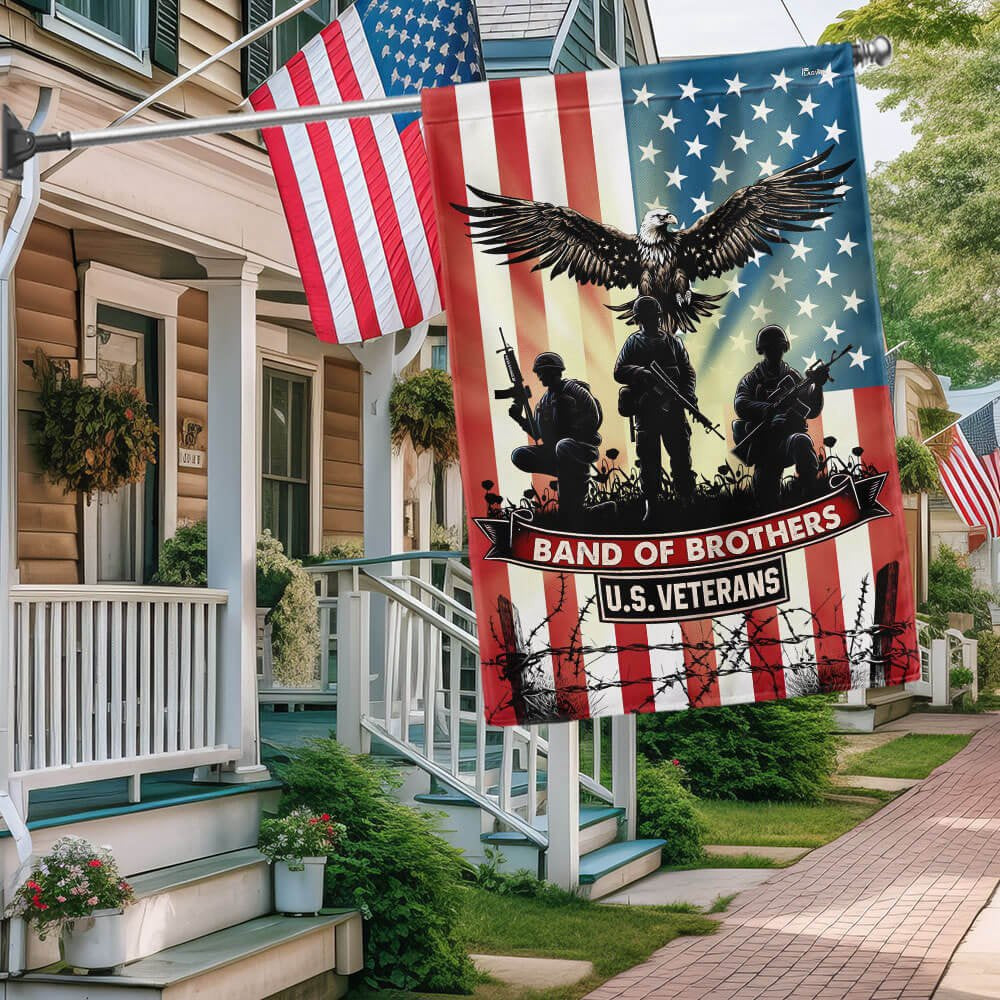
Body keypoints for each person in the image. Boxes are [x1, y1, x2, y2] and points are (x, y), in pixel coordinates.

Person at [614, 296, 697, 523]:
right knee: (649, 462)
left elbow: (687, 372)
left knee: (680, 458)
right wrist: (642, 373)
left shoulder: (673, 342)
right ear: (639, 319)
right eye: (645, 318)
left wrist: (688, 394)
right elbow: (619, 371)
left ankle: (687, 500)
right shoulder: (633, 343)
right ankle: (652, 506)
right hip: (646, 411)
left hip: (673, 411)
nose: (648, 322)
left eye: (652, 317)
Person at [733, 324, 827, 503]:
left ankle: (809, 493)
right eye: (769, 349)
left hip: (788, 440)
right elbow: (741, 404)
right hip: (765, 445)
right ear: (762, 350)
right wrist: (769, 410)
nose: (774, 353)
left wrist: (818, 387)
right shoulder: (752, 379)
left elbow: (812, 410)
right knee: (765, 495)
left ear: (784, 348)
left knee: (802, 441)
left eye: (778, 348)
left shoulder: (793, 377)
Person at [508, 352, 602, 527]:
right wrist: (519, 418)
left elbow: (593, 417)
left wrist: (572, 429)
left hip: (579, 447)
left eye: (542, 372)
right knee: (520, 455)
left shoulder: (574, 390)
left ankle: (574, 508)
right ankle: (569, 486)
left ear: (553, 371)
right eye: (538, 372)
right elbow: (538, 434)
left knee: (564, 446)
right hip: (556, 452)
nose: (539, 376)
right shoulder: (543, 402)